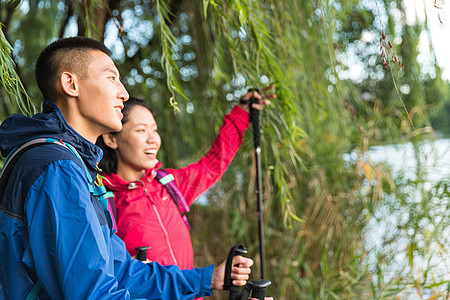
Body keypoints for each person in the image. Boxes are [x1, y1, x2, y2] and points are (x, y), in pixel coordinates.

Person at [0, 36, 254, 299]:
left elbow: (122, 272)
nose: (124, 93)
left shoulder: (76, 167)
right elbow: (96, 293)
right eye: (111, 78)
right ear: (70, 84)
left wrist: (208, 278)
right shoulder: (58, 168)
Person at [96, 89, 273, 271]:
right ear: (111, 139)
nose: (153, 139)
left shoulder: (170, 184)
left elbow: (214, 162)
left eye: (155, 130)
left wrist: (242, 112)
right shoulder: (102, 202)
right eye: (141, 130)